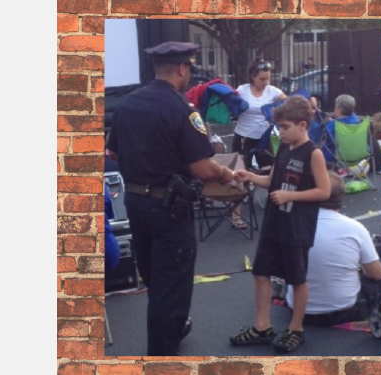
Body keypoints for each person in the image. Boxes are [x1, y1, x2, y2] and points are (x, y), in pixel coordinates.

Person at [105, 41, 234, 356]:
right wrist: (224, 173)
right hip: (169, 209)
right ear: (181, 68)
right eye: (189, 68)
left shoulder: (127, 105)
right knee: (170, 286)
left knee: (154, 279)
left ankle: (175, 330)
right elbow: (202, 168)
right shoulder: (183, 109)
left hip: (135, 204)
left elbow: (113, 152)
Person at [230, 96, 331, 353]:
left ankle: (296, 328)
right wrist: (251, 176)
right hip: (274, 224)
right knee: (260, 272)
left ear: (303, 125)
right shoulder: (283, 148)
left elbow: (324, 191)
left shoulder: (314, 153)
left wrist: (291, 196)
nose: (281, 132)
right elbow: (272, 181)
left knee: (297, 278)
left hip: (296, 227)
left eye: (285, 127)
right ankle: (262, 326)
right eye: (280, 128)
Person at [286, 171, 381, 326]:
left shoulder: (290, 225)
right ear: (340, 198)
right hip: (344, 311)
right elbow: (376, 274)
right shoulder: (354, 228)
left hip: (298, 311)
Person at [231, 59, 287, 229]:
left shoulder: (273, 91)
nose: (265, 82)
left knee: (273, 173)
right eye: (262, 79)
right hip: (243, 137)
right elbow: (230, 104)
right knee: (240, 176)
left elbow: (291, 104)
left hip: (264, 139)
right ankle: (236, 217)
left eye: (268, 78)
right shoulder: (242, 90)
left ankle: (276, 211)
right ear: (253, 77)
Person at [309, 94, 381, 172]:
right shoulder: (358, 123)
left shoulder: (332, 126)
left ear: (339, 109)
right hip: (359, 159)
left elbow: (315, 138)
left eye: (336, 106)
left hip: (339, 161)